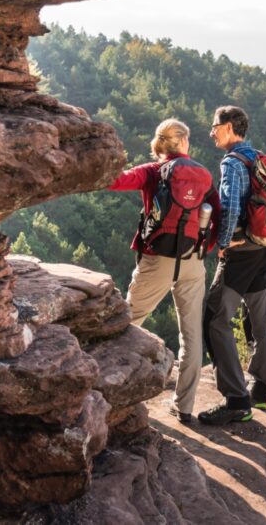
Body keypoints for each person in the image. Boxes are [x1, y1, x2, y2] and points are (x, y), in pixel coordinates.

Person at [109, 118, 219, 423]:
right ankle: (184, 407)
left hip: (157, 259)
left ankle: (108, 392)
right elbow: (217, 217)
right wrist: (201, 251)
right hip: (193, 261)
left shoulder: (152, 171)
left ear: (159, 143)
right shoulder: (203, 175)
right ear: (183, 142)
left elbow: (116, 181)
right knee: (192, 334)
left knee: (125, 324)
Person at [199, 106, 266, 425]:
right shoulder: (259, 157)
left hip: (242, 251)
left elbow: (229, 207)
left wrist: (224, 241)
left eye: (215, 126)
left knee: (214, 318)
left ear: (229, 127)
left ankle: (236, 400)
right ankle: (262, 388)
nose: (211, 131)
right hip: (265, 247)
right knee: (257, 318)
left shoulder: (232, 162)